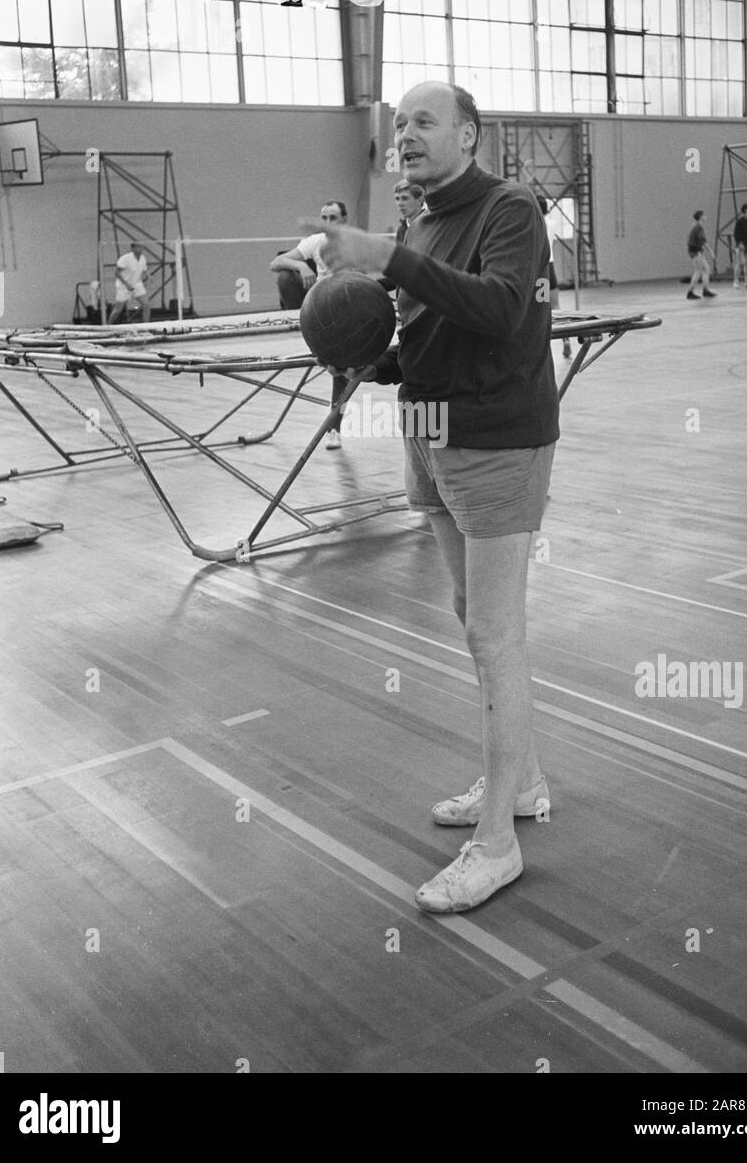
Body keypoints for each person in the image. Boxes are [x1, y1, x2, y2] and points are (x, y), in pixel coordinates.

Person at [308, 82, 559, 914]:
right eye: (398, 125)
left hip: (497, 438)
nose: (405, 135)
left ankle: (498, 844)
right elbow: (420, 337)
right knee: (467, 614)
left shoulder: (510, 208)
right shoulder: (419, 218)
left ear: (468, 134)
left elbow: (494, 310)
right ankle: (516, 782)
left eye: (423, 122)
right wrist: (353, 349)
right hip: (430, 430)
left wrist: (384, 258)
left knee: (496, 633)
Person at [270, 202, 349, 449]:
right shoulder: (315, 241)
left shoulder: (356, 242)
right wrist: (302, 265)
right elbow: (276, 262)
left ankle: (334, 428)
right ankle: (298, 328)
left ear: (344, 220)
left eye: (333, 217)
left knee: (341, 366)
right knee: (285, 275)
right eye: (323, 217)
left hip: (347, 306)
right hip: (318, 306)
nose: (327, 221)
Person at [538, 195, 572, 358]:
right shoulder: (551, 223)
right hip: (551, 269)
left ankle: (542, 347)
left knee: (540, 309)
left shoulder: (534, 224)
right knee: (556, 306)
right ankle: (566, 339)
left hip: (540, 272)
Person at [109, 240, 149, 323]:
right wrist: (127, 285)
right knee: (118, 310)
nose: (141, 249)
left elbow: (144, 270)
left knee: (146, 305)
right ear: (132, 248)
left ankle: (146, 327)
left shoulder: (143, 258)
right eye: (138, 247)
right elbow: (117, 273)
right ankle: (107, 326)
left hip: (137, 285)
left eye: (142, 247)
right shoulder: (125, 258)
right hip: (124, 286)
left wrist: (148, 276)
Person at [686, 210, 716, 299]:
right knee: (698, 271)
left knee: (706, 269)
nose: (706, 217)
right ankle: (690, 292)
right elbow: (703, 241)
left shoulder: (696, 226)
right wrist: (711, 251)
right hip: (695, 251)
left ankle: (705, 290)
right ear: (700, 217)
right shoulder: (699, 227)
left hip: (695, 250)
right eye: (704, 215)